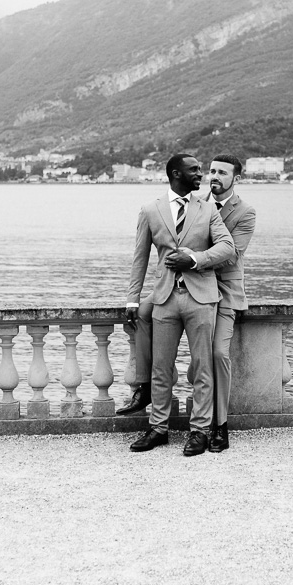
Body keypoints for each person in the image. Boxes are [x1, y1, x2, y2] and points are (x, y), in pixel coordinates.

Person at [119, 155, 256, 453]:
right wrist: (132, 298)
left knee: (204, 367)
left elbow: (228, 247)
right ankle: (157, 428)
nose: (202, 175)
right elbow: (139, 258)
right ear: (175, 174)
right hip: (165, 298)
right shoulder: (150, 210)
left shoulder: (207, 209)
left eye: (206, 170)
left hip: (203, 297)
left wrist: (193, 259)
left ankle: (200, 430)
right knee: (161, 367)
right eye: (196, 170)